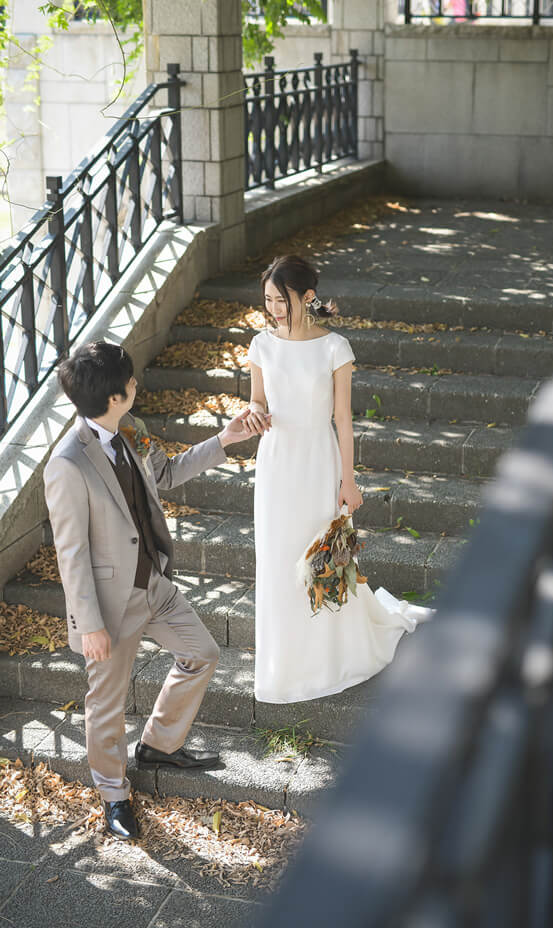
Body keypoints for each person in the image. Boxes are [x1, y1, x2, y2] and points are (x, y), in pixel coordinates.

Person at [43, 341, 257, 841]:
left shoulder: (130, 431)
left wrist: (224, 439)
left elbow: (165, 473)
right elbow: (69, 553)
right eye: (132, 380)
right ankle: (113, 795)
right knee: (106, 705)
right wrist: (88, 622)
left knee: (202, 652)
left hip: (153, 584)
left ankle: (159, 744)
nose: (137, 384)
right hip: (110, 609)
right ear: (116, 396)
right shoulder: (67, 464)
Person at [244, 256, 434, 705]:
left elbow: (343, 421)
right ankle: (285, 666)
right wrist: (253, 413)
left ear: (307, 297)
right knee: (277, 560)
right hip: (275, 463)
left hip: (318, 460)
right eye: (267, 300)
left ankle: (329, 658)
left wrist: (348, 480)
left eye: (281, 300)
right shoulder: (261, 345)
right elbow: (255, 400)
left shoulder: (335, 348)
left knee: (321, 556)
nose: (273, 308)